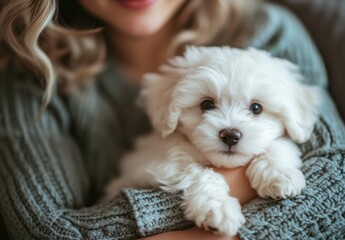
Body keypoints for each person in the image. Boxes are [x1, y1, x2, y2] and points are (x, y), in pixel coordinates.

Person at [0, 0, 344, 239]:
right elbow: (46, 231)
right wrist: (214, 189)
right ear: (168, 111)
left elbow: (334, 176)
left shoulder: (269, 31)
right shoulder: (28, 75)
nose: (230, 127)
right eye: (207, 105)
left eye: (255, 109)